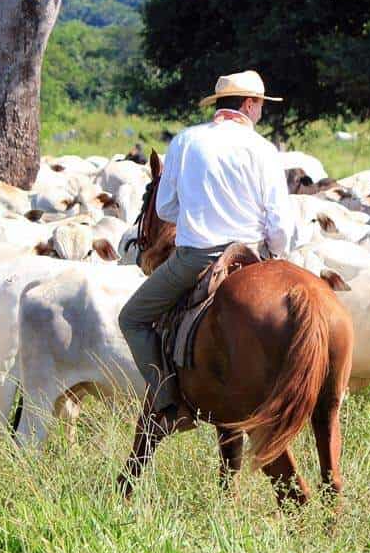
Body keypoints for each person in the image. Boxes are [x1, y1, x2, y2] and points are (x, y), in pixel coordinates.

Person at [118, 70, 293, 431]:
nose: (261, 111)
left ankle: (169, 402)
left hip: (198, 258)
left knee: (132, 318)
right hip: (253, 257)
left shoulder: (186, 141)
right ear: (249, 104)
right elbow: (280, 222)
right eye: (261, 105)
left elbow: (165, 209)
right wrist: (276, 255)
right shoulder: (263, 149)